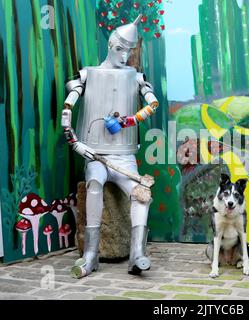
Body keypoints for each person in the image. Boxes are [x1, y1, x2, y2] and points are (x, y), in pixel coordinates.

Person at [61, 15, 159, 278]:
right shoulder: (87, 74)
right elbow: (67, 109)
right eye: (120, 49)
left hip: (125, 157)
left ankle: (137, 254)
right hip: (95, 154)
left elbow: (152, 103)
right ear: (110, 45)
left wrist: (130, 119)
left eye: (129, 51)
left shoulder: (136, 77)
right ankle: (90, 254)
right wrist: (76, 143)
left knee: (142, 194)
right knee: (94, 185)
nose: (124, 56)